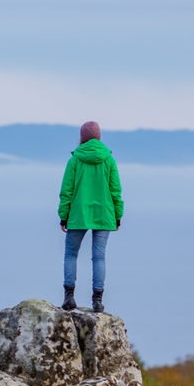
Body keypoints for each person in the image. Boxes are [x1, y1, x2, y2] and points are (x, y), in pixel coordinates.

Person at [57, 120, 123, 312]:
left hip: (78, 213)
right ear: (99, 136)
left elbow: (66, 191)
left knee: (71, 254)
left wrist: (63, 216)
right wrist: (118, 216)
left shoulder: (75, 160)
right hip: (104, 214)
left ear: (82, 137)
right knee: (99, 257)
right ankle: (98, 301)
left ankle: (69, 298)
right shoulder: (109, 160)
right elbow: (115, 191)